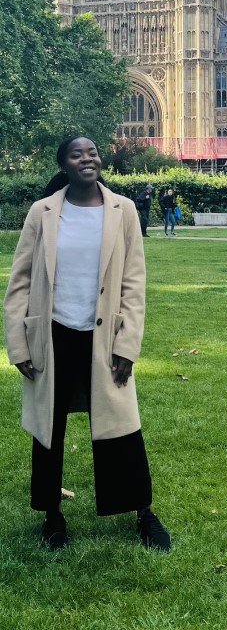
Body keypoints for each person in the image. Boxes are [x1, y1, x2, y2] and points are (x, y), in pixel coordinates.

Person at [3, 136, 171, 552]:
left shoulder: (124, 210)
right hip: (52, 334)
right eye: (77, 154)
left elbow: (134, 283)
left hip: (105, 336)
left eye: (92, 152)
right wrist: (18, 346)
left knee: (122, 429)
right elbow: (19, 282)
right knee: (49, 431)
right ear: (63, 163)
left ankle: (144, 514)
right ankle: (52, 517)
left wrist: (128, 345)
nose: (87, 158)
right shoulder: (42, 213)